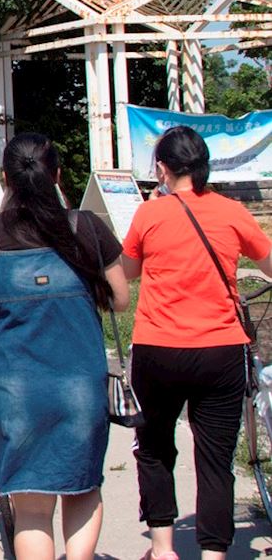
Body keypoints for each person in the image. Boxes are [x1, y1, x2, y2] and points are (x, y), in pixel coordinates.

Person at [0, 133, 130, 560]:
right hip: (81, 384)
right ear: (57, 175)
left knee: (32, 509)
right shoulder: (86, 227)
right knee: (82, 487)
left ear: (5, 178)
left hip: (16, 388)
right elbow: (121, 299)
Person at [121, 125, 272, 560]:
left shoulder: (149, 215)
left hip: (158, 348)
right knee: (215, 458)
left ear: (162, 169)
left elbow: (127, 272)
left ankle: (163, 547)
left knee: (153, 449)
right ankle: (214, 553)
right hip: (220, 350)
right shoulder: (231, 211)